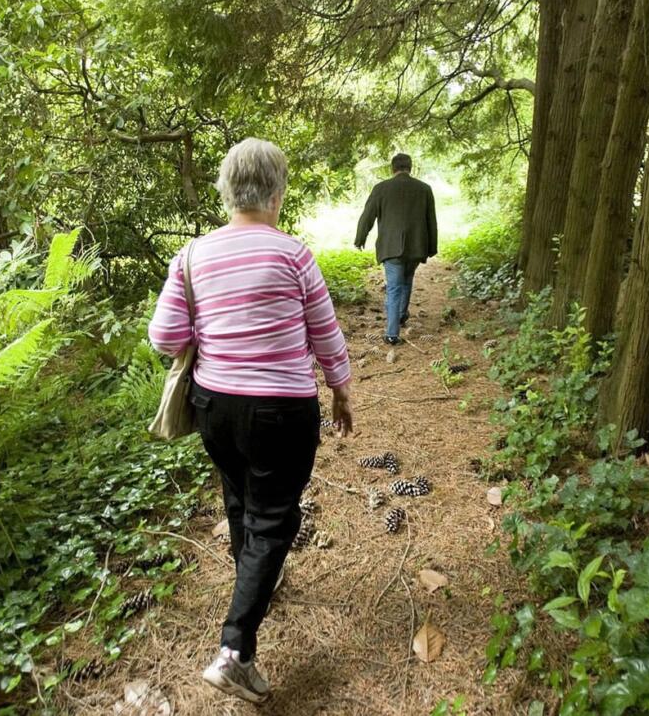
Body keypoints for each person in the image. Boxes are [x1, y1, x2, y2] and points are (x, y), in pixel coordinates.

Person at [149, 138, 354, 704]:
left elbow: (165, 336)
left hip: (216, 406)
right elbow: (325, 334)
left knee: (240, 500)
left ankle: (254, 582)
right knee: (274, 519)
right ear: (278, 192)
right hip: (281, 410)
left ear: (226, 189)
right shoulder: (293, 254)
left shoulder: (192, 255)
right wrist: (341, 391)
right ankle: (235, 652)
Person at [354, 152, 438, 344]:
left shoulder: (381, 188)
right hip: (416, 246)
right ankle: (400, 315)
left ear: (392, 169)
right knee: (407, 280)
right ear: (411, 167)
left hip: (391, 248)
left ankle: (392, 334)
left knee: (393, 288)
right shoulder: (424, 189)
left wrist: (360, 238)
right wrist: (431, 247)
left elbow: (367, 215)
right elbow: (431, 221)